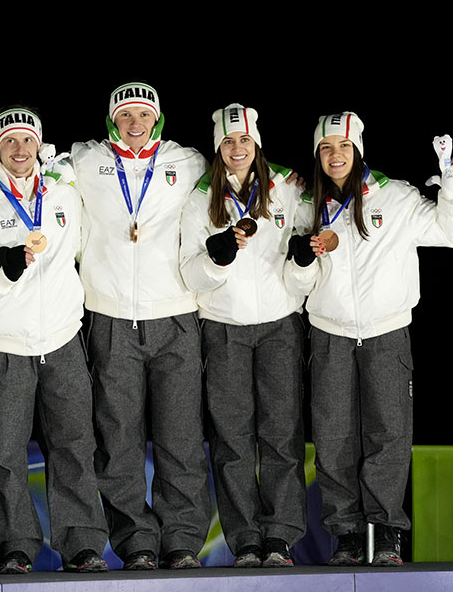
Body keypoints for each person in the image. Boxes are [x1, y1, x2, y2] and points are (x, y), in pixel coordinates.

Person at [285, 112, 453, 566]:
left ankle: (386, 532)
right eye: (326, 148)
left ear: (359, 150)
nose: (335, 155)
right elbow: (295, 283)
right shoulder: (305, 205)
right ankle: (347, 534)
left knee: (389, 432)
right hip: (330, 334)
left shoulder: (397, 196)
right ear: (317, 154)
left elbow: (450, 232)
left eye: (344, 146)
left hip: (387, 331)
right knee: (333, 436)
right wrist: (302, 259)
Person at [55, 82, 210, 570]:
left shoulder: (188, 162)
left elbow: (232, 191)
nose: (135, 122)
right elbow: (38, 176)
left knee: (180, 437)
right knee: (118, 439)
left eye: (144, 114)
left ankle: (181, 540)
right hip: (111, 315)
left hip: (176, 313)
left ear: (157, 119)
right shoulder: (85, 160)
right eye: (125, 115)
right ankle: (136, 541)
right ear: (111, 120)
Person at [0, 107, 109, 575]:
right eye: (9, 142)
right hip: (4, 344)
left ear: (40, 145)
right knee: (7, 453)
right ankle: (15, 546)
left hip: (62, 338)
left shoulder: (64, 193)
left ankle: (82, 544)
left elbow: (87, 248)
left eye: (27, 141)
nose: (19, 150)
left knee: (74, 446)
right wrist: (1, 273)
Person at [179, 103, 307, 568]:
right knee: (232, 439)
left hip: (279, 326)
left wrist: (303, 261)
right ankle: (246, 540)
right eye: (229, 141)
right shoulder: (199, 198)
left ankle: (280, 537)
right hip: (224, 327)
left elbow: (308, 242)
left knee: (281, 435)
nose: (237, 148)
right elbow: (190, 273)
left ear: (257, 144)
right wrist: (216, 258)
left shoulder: (287, 187)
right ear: (218, 147)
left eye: (245, 140)